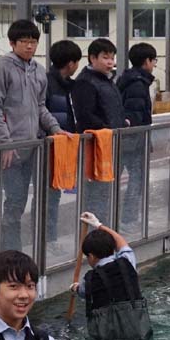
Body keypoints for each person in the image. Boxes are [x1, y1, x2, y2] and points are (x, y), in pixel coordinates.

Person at [0, 19, 62, 251]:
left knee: (43, 198)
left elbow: (40, 106)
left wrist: (55, 128)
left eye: (33, 42)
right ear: (12, 43)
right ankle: (11, 250)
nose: (30, 46)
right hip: (11, 150)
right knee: (14, 202)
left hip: (35, 147)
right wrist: (4, 143)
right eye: (24, 42)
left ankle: (40, 244)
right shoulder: (3, 68)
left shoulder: (39, 71)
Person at [71, 211, 151, 340]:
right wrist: (98, 225)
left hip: (108, 338)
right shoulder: (127, 262)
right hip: (138, 329)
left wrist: (75, 287)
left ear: (91, 256)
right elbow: (121, 242)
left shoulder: (89, 279)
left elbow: (82, 291)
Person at [72, 38, 126, 224]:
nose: (110, 62)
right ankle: (92, 234)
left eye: (112, 58)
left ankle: (104, 230)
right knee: (95, 194)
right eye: (105, 58)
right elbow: (85, 115)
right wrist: (108, 129)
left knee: (106, 192)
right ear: (92, 58)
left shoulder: (107, 81)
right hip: (96, 147)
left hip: (110, 144)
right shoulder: (85, 83)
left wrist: (121, 123)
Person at [45, 39, 82, 246]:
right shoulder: (49, 83)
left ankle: (51, 238)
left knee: (55, 194)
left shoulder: (70, 86)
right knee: (49, 196)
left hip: (65, 145)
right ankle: (48, 239)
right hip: (52, 146)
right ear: (71, 64)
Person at [116, 42, 157, 229]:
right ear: (146, 61)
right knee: (137, 179)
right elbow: (135, 115)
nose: (154, 64)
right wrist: (143, 140)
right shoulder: (138, 85)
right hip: (133, 142)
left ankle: (120, 218)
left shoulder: (128, 79)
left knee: (121, 180)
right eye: (154, 60)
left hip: (127, 140)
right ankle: (128, 219)